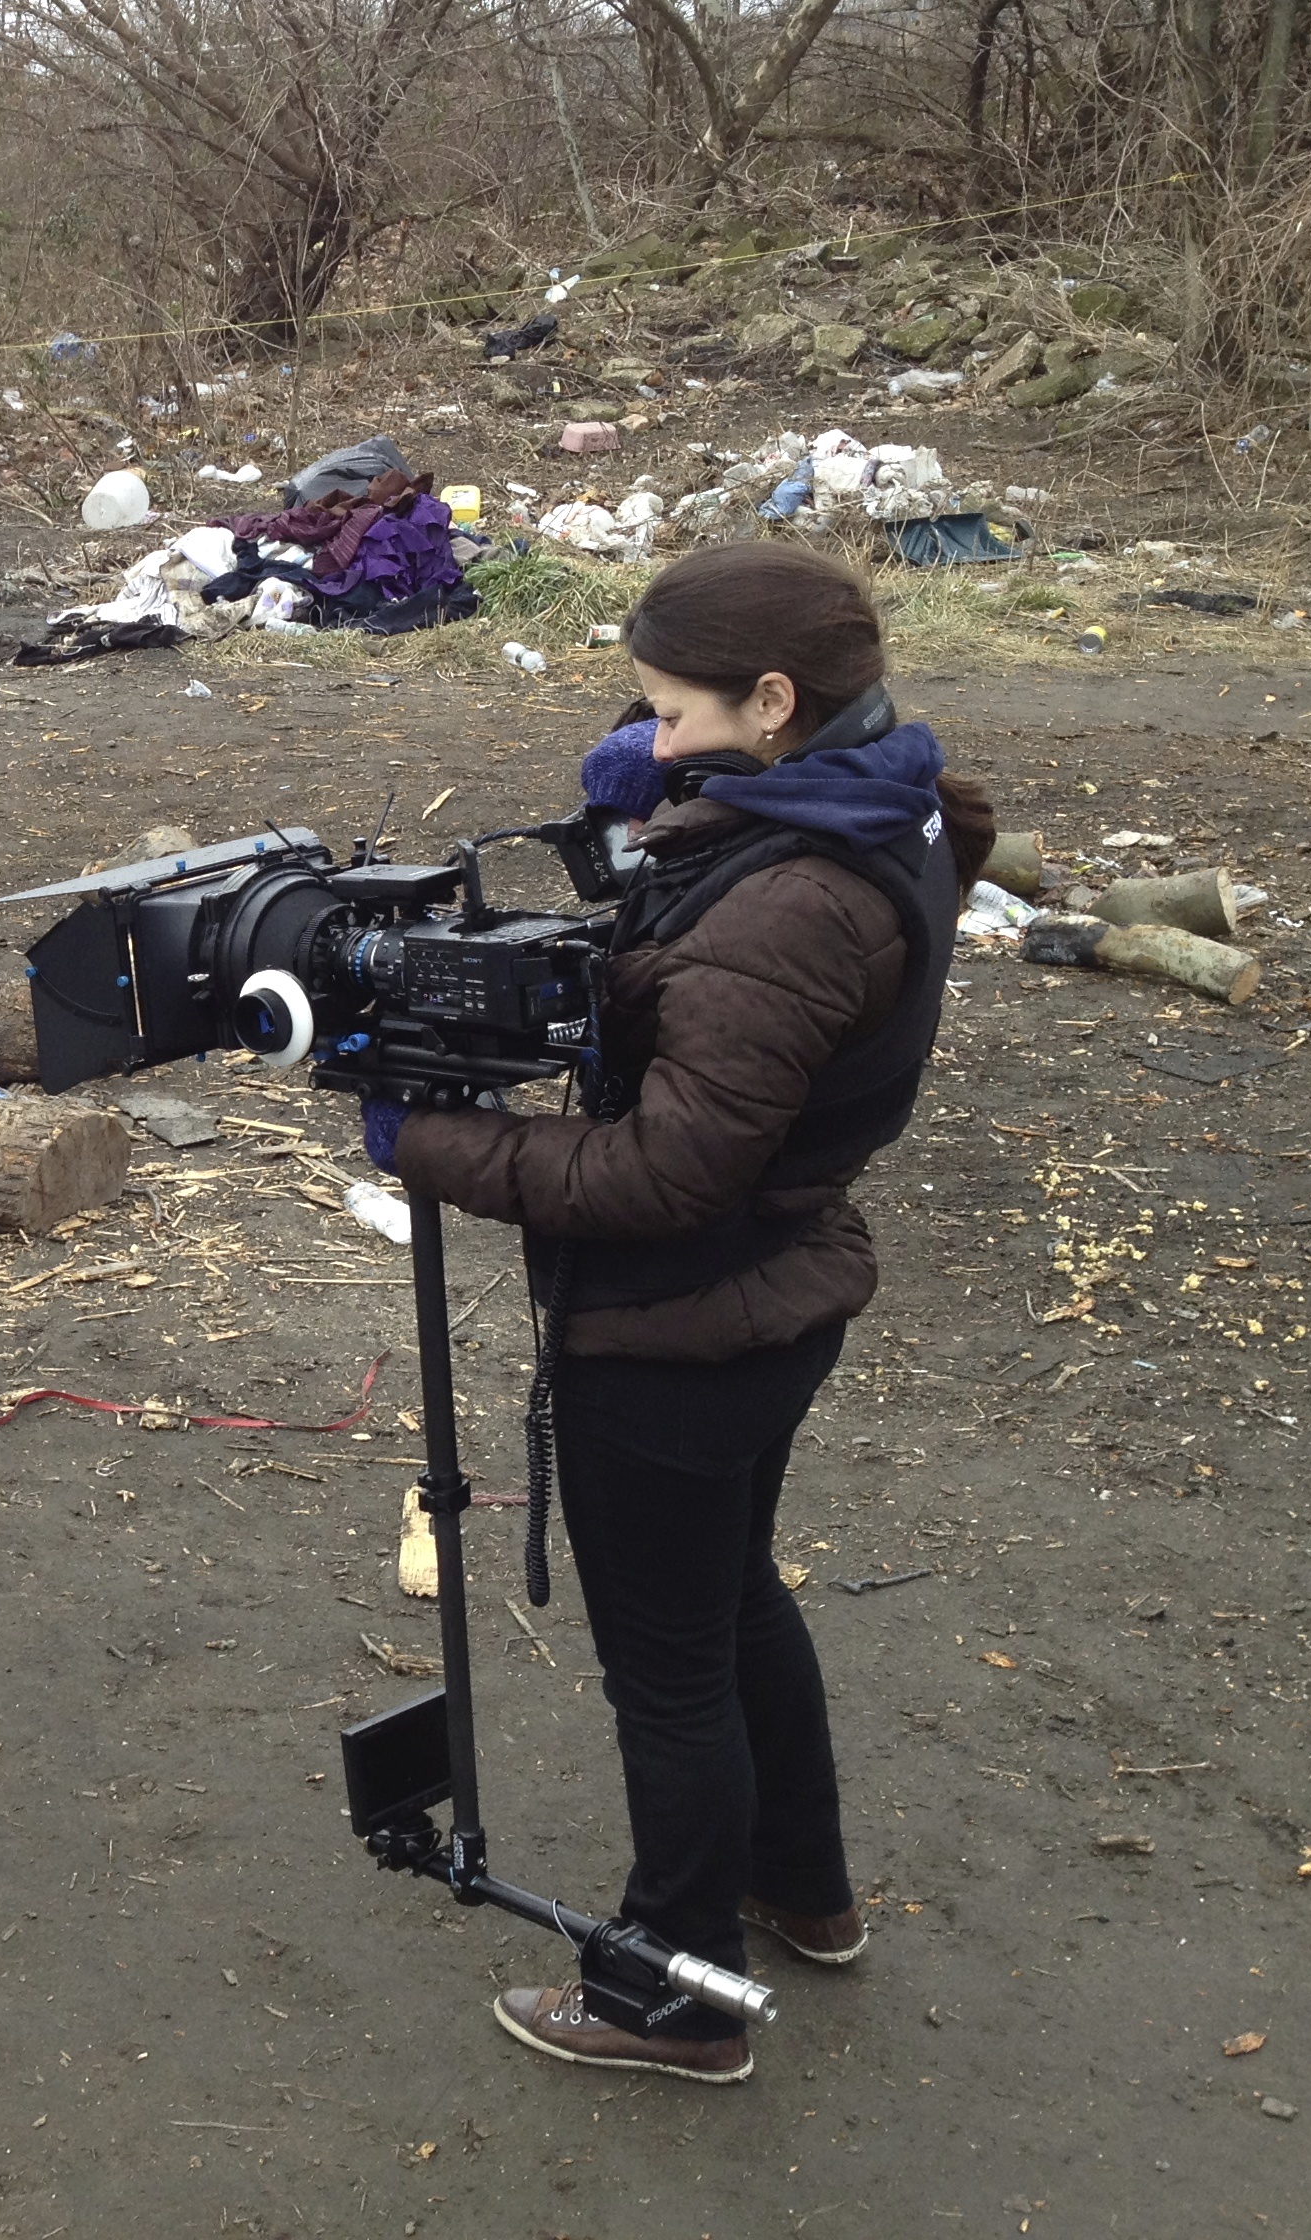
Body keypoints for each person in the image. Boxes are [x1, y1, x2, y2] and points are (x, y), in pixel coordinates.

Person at [370, 542, 991, 2084]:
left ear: (775, 701)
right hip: (776, 1296)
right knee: (733, 1604)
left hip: (676, 1324)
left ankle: (674, 1995)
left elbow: (665, 1171)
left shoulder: (790, 909)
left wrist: (428, 1141)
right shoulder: (890, 803)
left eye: (667, 711)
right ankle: (806, 1889)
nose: (646, 739)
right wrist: (666, 797)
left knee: (670, 1667)